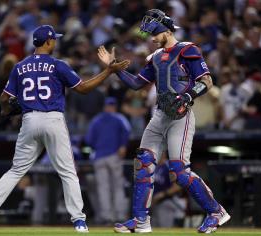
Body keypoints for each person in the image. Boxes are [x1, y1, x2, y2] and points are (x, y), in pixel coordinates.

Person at [0, 24, 129, 233]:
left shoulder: (20, 66)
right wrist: (109, 71)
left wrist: (5, 111)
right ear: (48, 42)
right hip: (52, 119)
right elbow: (83, 88)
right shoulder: (58, 65)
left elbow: (4, 98)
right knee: (67, 172)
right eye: (54, 39)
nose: (55, 41)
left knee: (17, 170)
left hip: (29, 120)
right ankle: (79, 222)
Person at [97, 9, 230, 234]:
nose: (152, 38)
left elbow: (207, 81)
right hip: (159, 115)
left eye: (154, 34)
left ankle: (216, 212)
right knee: (143, 164)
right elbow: (137, 84)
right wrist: (113, 69)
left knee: (179, 171)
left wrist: (188, 96)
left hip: (181, 114)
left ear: (166, 31)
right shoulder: (155, 57)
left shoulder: (188, 49)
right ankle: (141, 221)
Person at [85, 97, 131, 224]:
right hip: (113, 156)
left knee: (103, 188)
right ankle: (119, 216)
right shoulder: (119, 118)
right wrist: (122, 145)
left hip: (99, 157)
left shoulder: (96, 120)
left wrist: (98, 146)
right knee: (117, 187)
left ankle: (107, 217)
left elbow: (89, 140)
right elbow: (127, 131)